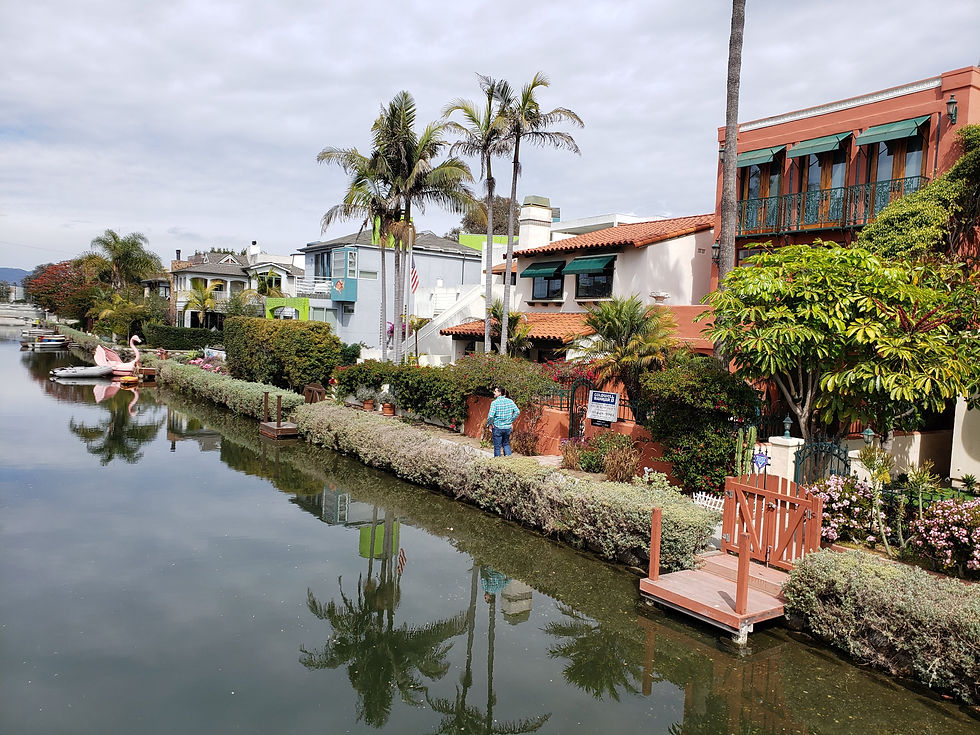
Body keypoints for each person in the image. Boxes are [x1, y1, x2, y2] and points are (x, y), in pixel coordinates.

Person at [486, 386, 520, 457]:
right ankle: (508, 461)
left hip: (497, 427)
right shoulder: (510, 401)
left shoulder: (494, 403)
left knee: (497, 446)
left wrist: (490, 424)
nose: (494, 393)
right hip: (507, 427)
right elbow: (517, 412)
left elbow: (491, 416)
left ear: (499, 393)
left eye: (495, 391)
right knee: (506, 444)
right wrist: (510, 420)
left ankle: (498, 463)